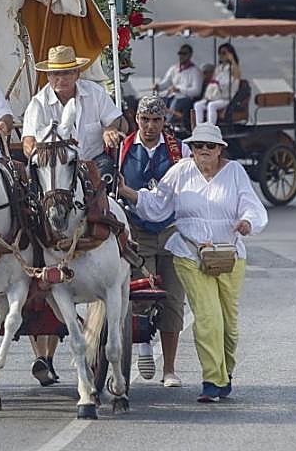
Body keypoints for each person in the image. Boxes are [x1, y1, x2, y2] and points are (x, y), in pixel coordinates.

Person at [118, 122, 268, 403]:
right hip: (190, 254)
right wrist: (128, 192)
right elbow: (157, 204)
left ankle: (225, 374)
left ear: (220, 149)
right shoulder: (181, 171)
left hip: (229, 255)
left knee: (229, 324)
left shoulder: (234, 172)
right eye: (198, 146)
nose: (203, 151)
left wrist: (247, 222)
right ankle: (212, 380)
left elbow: (251, 205)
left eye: (209, 146)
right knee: (208, 317)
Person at [21, 44, 124, 385]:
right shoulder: (39, 103)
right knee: (32, 209)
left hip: (91, 165)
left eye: (65, 72)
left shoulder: (95, 94)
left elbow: (115, 121)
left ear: (76, 74)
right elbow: (29, 140)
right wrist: (39, 152)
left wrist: (111, 130)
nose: (60, 79)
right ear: (48, 75)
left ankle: (123, 244)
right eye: (54, 73)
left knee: (110, 191)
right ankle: (38, 256)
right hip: (54, 172)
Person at [118, 95, 190, 386]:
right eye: (145, 120)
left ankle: (169, 368)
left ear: (164, 122)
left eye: (156, 120)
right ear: (136, 119)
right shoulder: (122, 149)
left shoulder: (178, 151)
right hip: (137, 231)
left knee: (173, 300)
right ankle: (143, 346)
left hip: (171, 230)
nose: (150, 126)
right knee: (140, 294)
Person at [192, 43, 241, 126]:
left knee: (212, 106)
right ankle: (199, 128)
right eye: (220, 53)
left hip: (226, 97)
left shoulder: (233, 67)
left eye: (224, 53)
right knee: (198, 105)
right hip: (216, 95)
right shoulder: (219, 68)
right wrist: (207, 96)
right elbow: (213, 83)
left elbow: (237, 74)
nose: (221, 55)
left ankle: (211, 128)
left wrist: (232, 59)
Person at [161, 43, 203, 125]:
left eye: (184, 54)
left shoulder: (195, 71)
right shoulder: (174, 68)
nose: (181, 56)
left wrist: (179, 90)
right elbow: (166, 82)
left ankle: (167, 124)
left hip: (185, 99)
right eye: (180, 53)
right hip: (171, 96)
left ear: (190, 55)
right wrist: (158, 86)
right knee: (159, 102)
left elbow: (197, 91)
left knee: (175, 103)